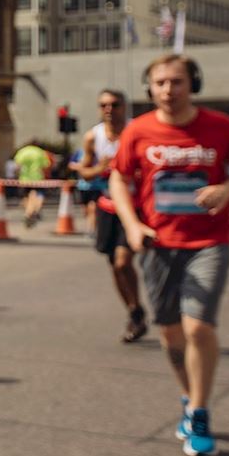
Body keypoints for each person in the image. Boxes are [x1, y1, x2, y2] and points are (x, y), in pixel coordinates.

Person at [109, 54, 229, 456]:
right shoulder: (138, 131)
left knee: (197, 328)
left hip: (208, 242)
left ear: (192, 84)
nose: (168, 90)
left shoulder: (219, 126)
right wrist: (132, 224)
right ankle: (187, 397)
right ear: (150, 88)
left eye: (176, 82)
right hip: (158, 244)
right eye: (160, 83)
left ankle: (201, 412)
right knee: (171, 333)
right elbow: (119, 178)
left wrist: (227, 190)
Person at [78, 90, 147, 343]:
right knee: (115, 267)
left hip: (135, 207)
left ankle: (153, 309)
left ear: (124, 106)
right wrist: (101, 168)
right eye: (103, 105)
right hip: (107, 207)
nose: (109, 109)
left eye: (114, 104)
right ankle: (134, 310)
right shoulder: (93, 136)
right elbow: (84, 172)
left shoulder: (137, 131)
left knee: (122, 261)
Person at [12, 137, 52, 227]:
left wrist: (17, 175)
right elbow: (46, 165)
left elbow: (17, 165)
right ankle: (34, 211)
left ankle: (29, 212)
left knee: (26, 196)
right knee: (39, 194)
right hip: (37, 177)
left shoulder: (23, 151)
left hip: (24, 178)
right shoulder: (40, 152)